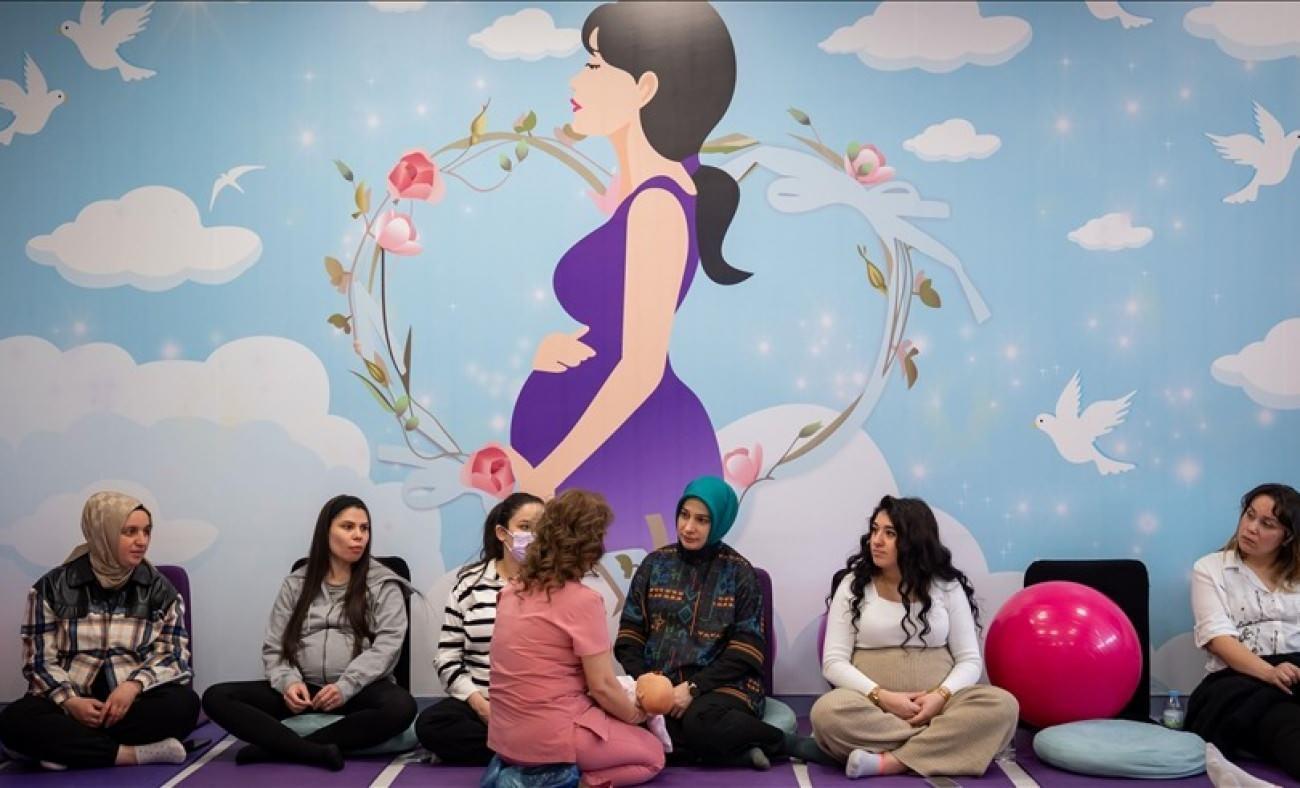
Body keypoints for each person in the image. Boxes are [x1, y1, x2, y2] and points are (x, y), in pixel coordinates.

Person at [505, 0, 747, 552]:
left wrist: (548, 479)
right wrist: (560, 347)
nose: (576, 80)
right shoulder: (647, 197)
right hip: (614, 447)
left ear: (645, 87)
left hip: (631, 445)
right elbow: (619, 324)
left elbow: (640, 368)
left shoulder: (658, 204)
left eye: (593, 64)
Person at [809, 495, 1018, 779]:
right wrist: (882, 697)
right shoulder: (852, 585)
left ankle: (890, 761)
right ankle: (943, 743)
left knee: (1003, 706)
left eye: (890, 533)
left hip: (941, 706)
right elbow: (833, 662)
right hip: (873, 706)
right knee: (826, 713)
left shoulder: (946, 586)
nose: (876, 541)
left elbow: (969, 660)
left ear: (915, 540)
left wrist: (940, 697)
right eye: (874, 530)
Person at [201, 495, 416, 771]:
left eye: (364, 528)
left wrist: (345, 687)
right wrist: (288, 683)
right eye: (348, 527)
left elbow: (388, 646)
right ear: (325, 532)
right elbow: (275, 646)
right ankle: (312, 751)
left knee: (402, 708)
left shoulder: (384, 583)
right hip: (304, 690)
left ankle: (282, 748)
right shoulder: (296, 583)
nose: (359, 536)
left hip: (357, 691)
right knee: (216, 697)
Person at [0, 491, 199, 769]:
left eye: (146, 531)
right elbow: (39, 662)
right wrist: (70, 702)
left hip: (131, 705)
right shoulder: (51, 588)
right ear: (101, 533)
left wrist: (133, 686)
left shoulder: (161, 589)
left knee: (184, 705)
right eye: (130, 532)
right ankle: (129, 754)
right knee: (14, 720)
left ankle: (67, 750)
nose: (142, 541)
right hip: (69, 703)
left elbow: (174, 656)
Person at [616, 476, 798, 769]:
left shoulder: (740, 573)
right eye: (684, 515)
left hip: (722, 688)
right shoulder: (654, 564)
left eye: (701, 520)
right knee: (621, 723)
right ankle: (739, 751)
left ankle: (788, 744)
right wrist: (650, 685)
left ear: (720, 523)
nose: (689, 527)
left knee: (698, 723)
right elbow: (629, 637)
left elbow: (746, 651)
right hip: (658, 683)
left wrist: (692, 688)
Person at [488, 489, 664, 788]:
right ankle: (569, 782)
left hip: (503, 740)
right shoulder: (584, 601)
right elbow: (602, 687)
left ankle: (522, 773)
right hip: (552, 737)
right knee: (653, 755)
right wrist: (636, 716)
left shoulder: (509, 591)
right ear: (591, 546)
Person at [416, 492, 543, 764]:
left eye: (541, 529)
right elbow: (447, 657)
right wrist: (480, 705)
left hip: (537, 704)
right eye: (525, 527)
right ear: (502, 533)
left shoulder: (555, 585)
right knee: (431, 724)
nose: (534, 536)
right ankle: (527, 749)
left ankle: (515, 748)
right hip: (481, 703)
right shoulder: (469, 585)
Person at [1186, 483, 1300, 780]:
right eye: (1249, 515)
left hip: (1296, 670)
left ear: (1287, 536)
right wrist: (1270, 673)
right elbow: (1218, 640)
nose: (1251, 528)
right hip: (1239, 682)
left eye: (1267, 524)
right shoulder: (1210, 568)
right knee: (1287, 722)